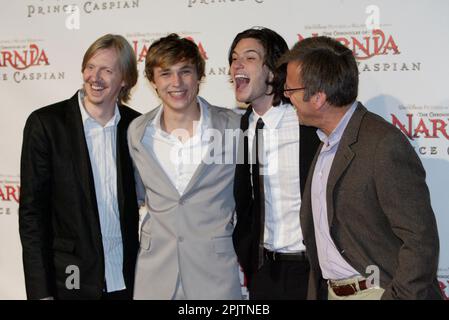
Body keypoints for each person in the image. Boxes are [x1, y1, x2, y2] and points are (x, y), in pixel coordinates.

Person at [281, 36, 443, 300]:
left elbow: (420, 240)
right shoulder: (325, 142)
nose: (288, 99)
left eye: (291, 91)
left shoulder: (382, 144)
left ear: (319, 97)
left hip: (377, 292)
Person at [19, 34, 141, 300]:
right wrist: (41, 293)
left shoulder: (137, 127)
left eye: (107, 70)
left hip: (128, 279)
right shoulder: (47, 125)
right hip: (71, 279)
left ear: (125, 80)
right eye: (90, 67)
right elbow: (32, 216)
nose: (94, 77)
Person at [128, 34, 242, 300]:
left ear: (199, 75)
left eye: (185, 72)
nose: (176, 83)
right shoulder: (138, 132)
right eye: (165, 73)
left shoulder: (232, 127)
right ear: (153, 80)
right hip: (154, 274)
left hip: (215, 274)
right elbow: (138, 195)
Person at [229, 27, 320, 299]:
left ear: (273, 71)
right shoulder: (244, 125)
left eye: (250, 57)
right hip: (264, 271)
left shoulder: (306, 123)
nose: (237, 65)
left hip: (310, 272)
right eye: (234, 58)